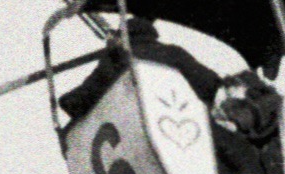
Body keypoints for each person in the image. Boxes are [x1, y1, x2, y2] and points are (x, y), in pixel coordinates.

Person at [58, 17, 221, 123]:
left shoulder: (117, 58)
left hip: (137, 126)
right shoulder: (173, 52)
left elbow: (84, 96)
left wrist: (65, 101)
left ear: (123, 37)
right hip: (182, 120)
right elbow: (209, 82)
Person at [212, 69, 285, 174]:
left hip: (269, 162)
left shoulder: (269, 100)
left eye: (231, 90)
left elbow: (247, 120)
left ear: (241, 86)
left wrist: (227, 112)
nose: (229, 94)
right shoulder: (258, 102)